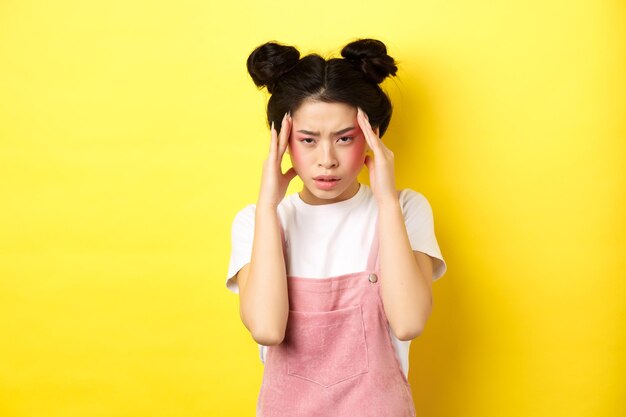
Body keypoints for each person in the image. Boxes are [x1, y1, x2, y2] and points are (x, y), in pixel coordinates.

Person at [226, 38, 447, 417]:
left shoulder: (406, 209)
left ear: (372, 136)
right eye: (307, 140)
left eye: (345, 138)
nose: (326, 160)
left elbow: (409, 322)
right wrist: (267, 206)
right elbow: (266, 329)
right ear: (282, 142)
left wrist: (386, 201)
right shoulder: (257, 220)